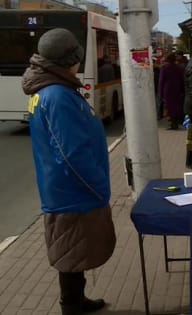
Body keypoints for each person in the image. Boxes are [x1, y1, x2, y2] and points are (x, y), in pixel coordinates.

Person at [21, 28, 116, 315]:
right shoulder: (58, 95)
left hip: (63, 188)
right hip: (74, 190)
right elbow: (71, 153)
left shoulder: (50, 91)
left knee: (73, 251)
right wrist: (99, 185)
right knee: (71, 252)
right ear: (71, 58)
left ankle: (76, 300)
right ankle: (71, 306)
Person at [158, 52, 185, 129]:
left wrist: (160, 92)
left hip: (168, 89)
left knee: (169, 107)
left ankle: (173, 124)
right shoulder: (179, 68)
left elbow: (161, 81)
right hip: (177, 89)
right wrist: (183, 90)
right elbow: (182, 79)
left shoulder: (164, 68)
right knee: (176, 106)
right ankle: (175, 122)